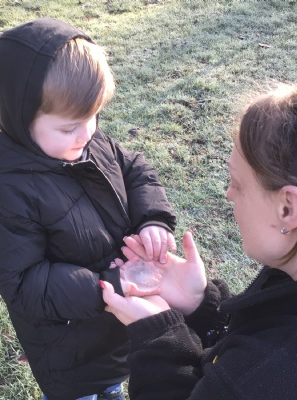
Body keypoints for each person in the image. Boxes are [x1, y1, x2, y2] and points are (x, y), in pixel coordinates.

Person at [0, 17, 177, 400]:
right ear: (20, 118)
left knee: (113, 384)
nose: (88, 132)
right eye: (69, 127)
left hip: (115, 327)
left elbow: (134, 169)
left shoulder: (84, 140)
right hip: (69, 350)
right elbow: (23, 282)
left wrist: (153, 219)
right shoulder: (5, 192)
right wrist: (107, 285)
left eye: (94, 116)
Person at [101, 83, 297, 399]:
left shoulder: (269, 374)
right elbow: (253, 337)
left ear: (288, 208)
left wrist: (160, 338)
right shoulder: (287, 276)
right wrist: (202, 305)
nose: (229, 194)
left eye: (237, 184)